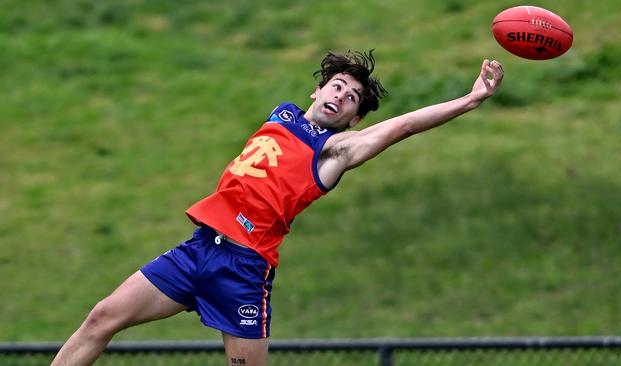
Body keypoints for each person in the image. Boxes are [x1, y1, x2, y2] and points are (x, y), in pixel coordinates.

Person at [51, 50, 504, 366]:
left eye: (350, 99)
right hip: (198, 250)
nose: (340, 95)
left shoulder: (334, 152)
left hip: (243, 270)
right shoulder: (283, 114)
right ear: (317, 90)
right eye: (337, 85)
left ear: (353, 120)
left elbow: (402, 126)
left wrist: (472, 99)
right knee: (100, 318)